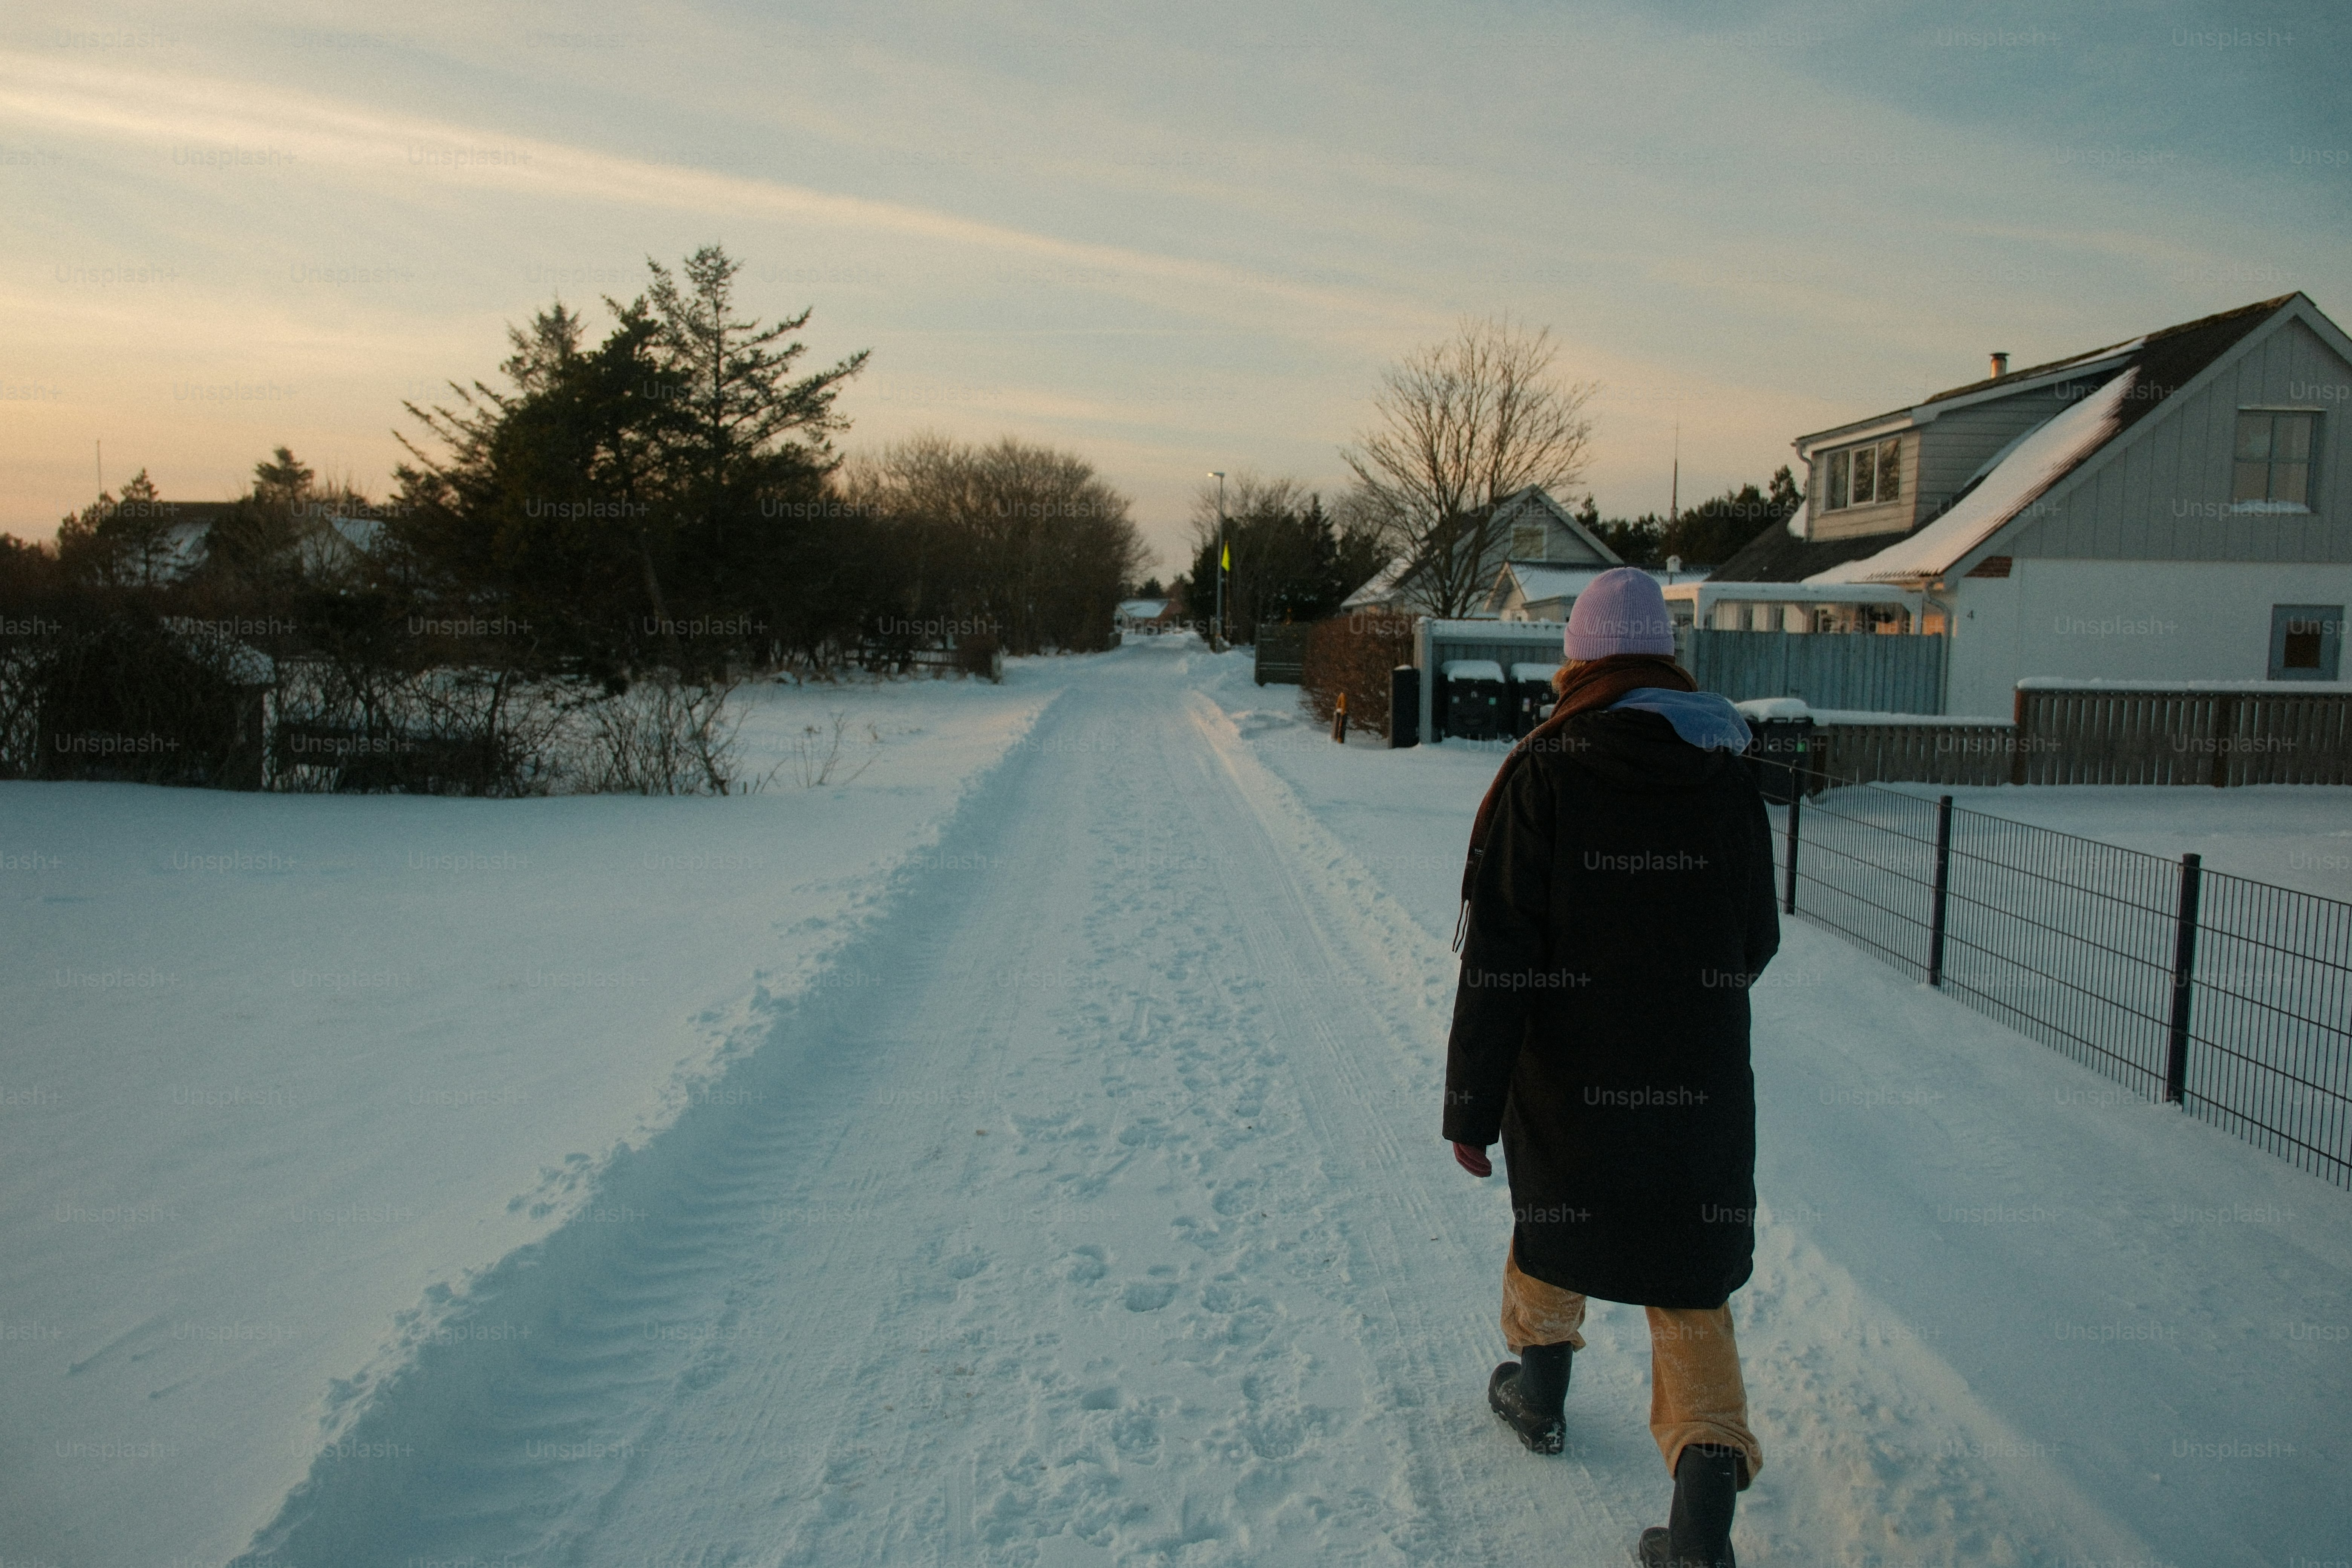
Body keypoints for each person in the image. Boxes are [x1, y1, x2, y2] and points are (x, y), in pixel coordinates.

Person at [1442, 567, 1779, 1568]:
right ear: (1665, 657)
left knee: (1553, 1225)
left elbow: (1500, 955)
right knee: (1689, 1280)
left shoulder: (1545, 773)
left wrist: (1473, 1106)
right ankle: (1700, 1531)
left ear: (1580, 659)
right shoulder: (1723, 770)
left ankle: (1539, 1394)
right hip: (1699, 1077)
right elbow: (1755, 937)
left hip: (1569, 1074)